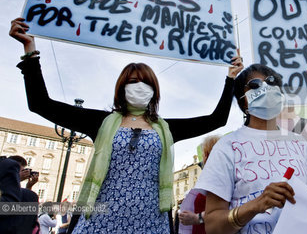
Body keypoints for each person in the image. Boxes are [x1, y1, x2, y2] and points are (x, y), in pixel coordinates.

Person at [9, 17, 244, 234]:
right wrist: (30, 51)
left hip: (151, 221)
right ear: (122, 87)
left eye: (146, 83)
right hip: (100, 219)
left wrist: (231, 78)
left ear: (154, 91)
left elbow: (217, 119)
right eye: (133, 82)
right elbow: (40, 104)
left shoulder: (166, 128)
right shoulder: (101, 122)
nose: (139, 86)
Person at [194, 64, 307, 234]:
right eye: (254, 85)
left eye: (272, 82)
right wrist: (254, 206)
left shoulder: (300, 144)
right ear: (242, 100)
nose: (266, 88)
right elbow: (213, 227)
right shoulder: (227, 147)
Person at [178, 135, 221, 234]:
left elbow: (225, 210)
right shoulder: (216, 176)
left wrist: (197, 218)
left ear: (206, 155)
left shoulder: (219, 178)